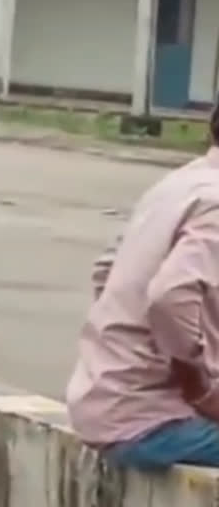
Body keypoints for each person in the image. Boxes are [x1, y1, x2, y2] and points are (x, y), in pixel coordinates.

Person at [66, 104, 219, 470]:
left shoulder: (182, 183)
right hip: (155, 423)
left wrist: (128, 355)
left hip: (104, 405)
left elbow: (106, 270)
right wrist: (196, 382)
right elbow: (170, 297)